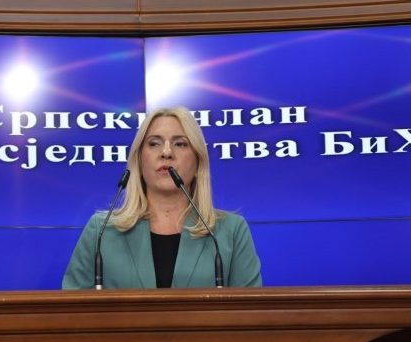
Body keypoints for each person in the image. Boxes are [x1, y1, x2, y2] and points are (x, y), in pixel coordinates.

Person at [62, 107, 262, 289]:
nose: (166, 152)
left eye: (180, 144)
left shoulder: (231, 232)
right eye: (154, 143)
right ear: (139, 160)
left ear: (198, 162)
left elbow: (251, 312)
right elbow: (72, 310)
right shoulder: (101, 230)